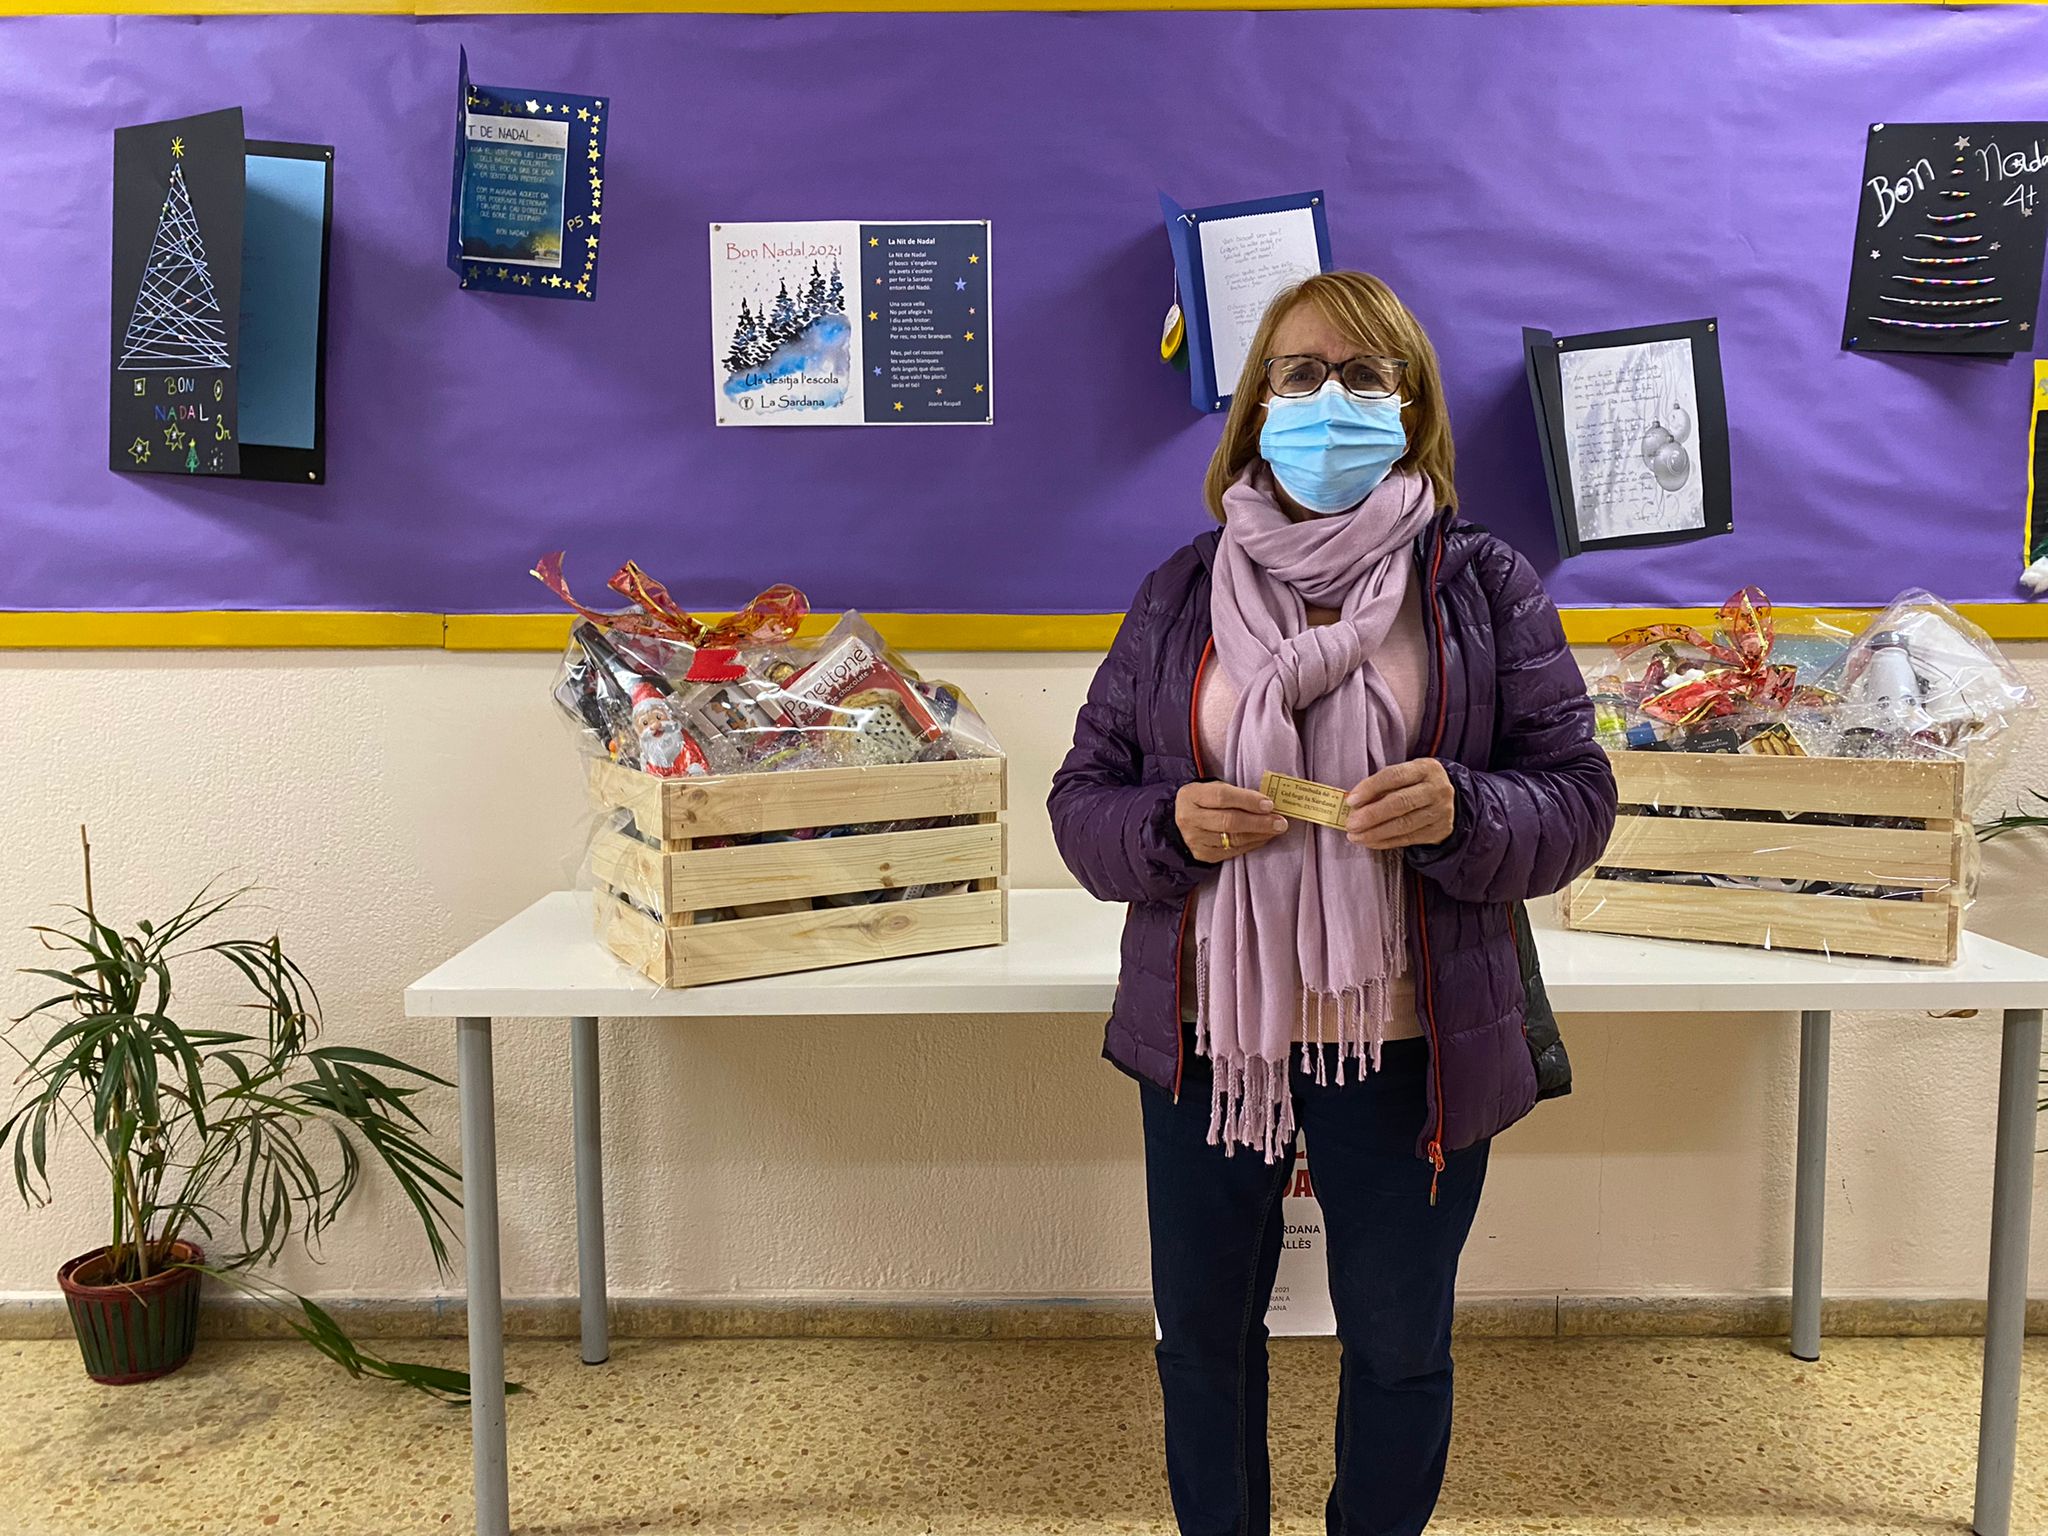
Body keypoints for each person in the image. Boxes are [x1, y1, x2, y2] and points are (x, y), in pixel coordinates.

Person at [1047, 271, 1616, 1536]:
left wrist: (1467, 810)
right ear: (1255, 406)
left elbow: (1578, 798)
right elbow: (1080, 801)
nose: (1329, 400)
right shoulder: (1179, 592)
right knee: (1200, 1342)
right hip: (1209, 1038)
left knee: (1398, 1347)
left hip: (1412, 1038)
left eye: (1363, 375)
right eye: (1299, 374)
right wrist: (1164, 825)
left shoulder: (1480, 586)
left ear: (1409, 407)